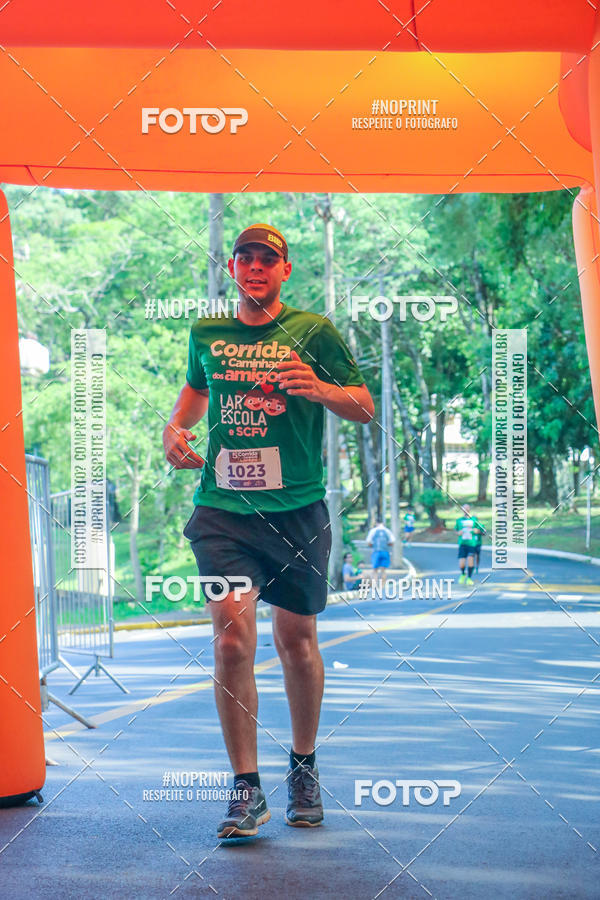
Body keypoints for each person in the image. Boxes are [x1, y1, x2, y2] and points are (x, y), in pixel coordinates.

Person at [163, 223, 374, 839]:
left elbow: (362, 403)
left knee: (297, 641)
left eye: (267, 259)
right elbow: (194, 394)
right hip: (225, 511)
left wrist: (322, 388)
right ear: (232, 269)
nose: (256, 267)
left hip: (298, 510)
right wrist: (175, 431)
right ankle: (245, 789)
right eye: (245, 258)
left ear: (285, 270)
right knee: (231, 641)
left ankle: (303, 767)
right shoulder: (208, 333)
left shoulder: (313, 331)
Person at [454, 503, 484, 585]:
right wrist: (458, 533)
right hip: (462, 544)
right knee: (462, 563)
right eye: (464, 509)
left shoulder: (474, 519)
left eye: (467, 508)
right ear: (462, 510)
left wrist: (477, 531)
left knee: (471, 560)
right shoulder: (459, 520)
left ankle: (469, 578)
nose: (466, 510)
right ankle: (463, 574)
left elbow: (482, 530)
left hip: (472, 544)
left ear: (469, 509)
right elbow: (455, 531)